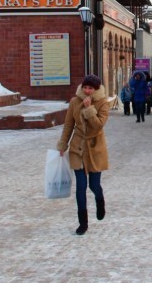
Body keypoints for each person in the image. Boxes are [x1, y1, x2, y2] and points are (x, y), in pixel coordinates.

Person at [56, 75, 110, 236]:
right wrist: (62, 145)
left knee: (94, 185)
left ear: (96, 89)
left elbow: (98, 126)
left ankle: (100, 201)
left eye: (90, 88)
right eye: (85, 87)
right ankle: (83, 222)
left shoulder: (102, 103)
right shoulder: (74, 102)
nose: (87, 91)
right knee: (80, 186)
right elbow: (68, 125)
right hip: (77, 147)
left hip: (95, 148)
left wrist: (89, 109)